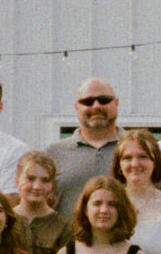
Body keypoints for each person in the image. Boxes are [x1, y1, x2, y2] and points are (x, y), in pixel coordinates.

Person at [50, 78, 127, 215]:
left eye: (104, 100)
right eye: (87, 102)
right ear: (77, 107)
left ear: (116, 103)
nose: (96, 106)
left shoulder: (138, 151)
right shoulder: (53, 154)